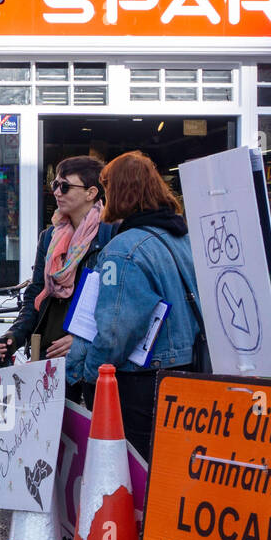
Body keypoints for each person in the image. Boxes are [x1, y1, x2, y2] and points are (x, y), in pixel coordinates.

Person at [65, 151, 204, 461]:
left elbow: (115, 331)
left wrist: (89, 375)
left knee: (136, 473)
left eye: (108, 188)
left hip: (139, 383)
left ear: (120, 192)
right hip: (186, 373)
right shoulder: (182, 239)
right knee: (170, 469)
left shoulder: (123, 250)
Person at [0, 155, 115, 401]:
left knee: (90, 432)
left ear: (91, 192)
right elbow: (36, 292)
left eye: (65, 186)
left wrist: (84, 340)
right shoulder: (51, 237)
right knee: (54, 435)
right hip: (50, 350)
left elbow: (115, 305)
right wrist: (16, 335)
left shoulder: (111, 234)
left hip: (88, 358)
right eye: (55, 186)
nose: (57, 193)